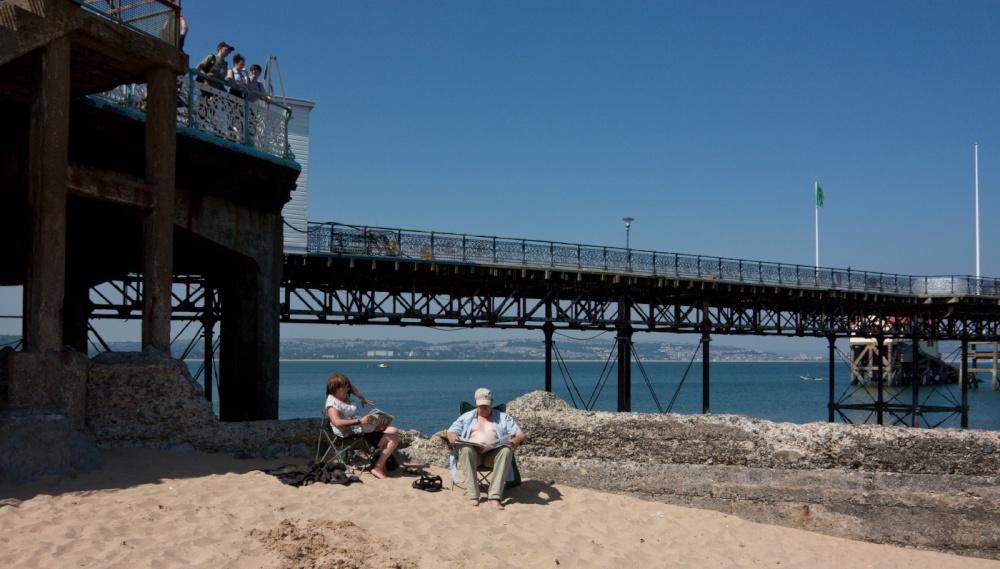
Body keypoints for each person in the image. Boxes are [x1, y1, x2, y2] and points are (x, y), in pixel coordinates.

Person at [445, 388, 527, 510]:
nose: (484, 408)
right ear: (475, 403)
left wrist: (515, 440)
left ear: (491, 403)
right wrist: (451, 435)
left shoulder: (503, 417)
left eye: (486, 405)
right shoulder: (467, 417)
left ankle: (494, 496)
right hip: (474, 455)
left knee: (505, 451)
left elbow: (521, 434)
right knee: (465, 449)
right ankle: (473, 495)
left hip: (492, 456)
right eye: (481, 406)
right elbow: (450, 431)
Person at [325, 373, 400, 479]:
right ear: (335, 389)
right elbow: (337, 422)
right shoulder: (332, 404)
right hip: (353, 432)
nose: (347, 390)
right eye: (344, 388)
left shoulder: (343, 394)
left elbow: (350, 386)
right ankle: (378, 467)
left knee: (394, 430)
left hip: (362, 426)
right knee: (394, 438)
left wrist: (361, 397)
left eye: (347, 387)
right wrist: (360, 421)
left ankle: (379, 457)